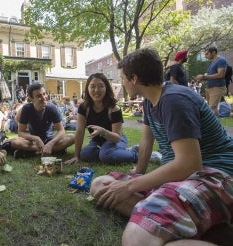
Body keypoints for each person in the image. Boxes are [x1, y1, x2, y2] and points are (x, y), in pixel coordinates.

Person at [90, 48, 233, 246]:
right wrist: (139, 173)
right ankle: (199, 226)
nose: (121, 82)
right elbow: (147, 141)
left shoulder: (174, 99)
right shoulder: (150, 102)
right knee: (100, 185)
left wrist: (130, 186)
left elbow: (190, 164)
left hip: (214, 175)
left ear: (134, 78)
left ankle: (186, 225)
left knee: (136, 240)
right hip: (179, 180)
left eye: (122, 78)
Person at [65, 73, 138, 165]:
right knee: (84, 155)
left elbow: (117, 138)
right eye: (93, 86)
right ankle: (117, 153)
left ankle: (136, 154)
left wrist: (103, 132)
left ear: (106, 88)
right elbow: (79, 132)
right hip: (97, 142)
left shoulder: (114, 109)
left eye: (101, 86)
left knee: (105, 155)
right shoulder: (84, 108)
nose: (96, 90)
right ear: (87, 88)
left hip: (115, 140)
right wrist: (76, 156)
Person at [11, 83, 75, 158]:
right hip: (34, 142)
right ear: (31, 99)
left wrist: (51, 143)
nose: (44, 97)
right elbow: (20, 132)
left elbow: (61, 130)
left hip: (49, 139)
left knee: (72, 137)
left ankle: (33, 152)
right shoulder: (26, 109)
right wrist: (36, 138)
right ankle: (54, 150)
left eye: (44, 94)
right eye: (39, 96)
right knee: (15, 142)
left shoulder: (52, 108)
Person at [195, 46, 228, 117]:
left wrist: (204, 76)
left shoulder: (221, 60)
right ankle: (214, 126)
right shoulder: (211, 63)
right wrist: (201, 78)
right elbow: (210, 75)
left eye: (207, 54)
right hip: (209, 87)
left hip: (217, 87)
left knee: (213, 107)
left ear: (213, 52)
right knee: (210, 108)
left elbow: (221, 74)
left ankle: (217, 127)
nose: (205, 56)